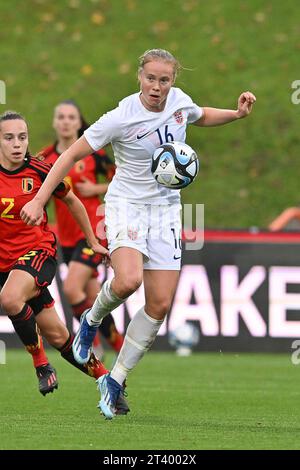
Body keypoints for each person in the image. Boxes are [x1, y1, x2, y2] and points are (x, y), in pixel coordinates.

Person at [21, 48, 256, 419]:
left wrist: (237, 114)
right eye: (151, 78)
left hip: (166, 212)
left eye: (164, 80)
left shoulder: (178, 102)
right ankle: (91, 321)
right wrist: (38, 200)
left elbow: (202, 115)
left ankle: (116, 379)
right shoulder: (120, 117)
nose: (157, 87)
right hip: (126, 205)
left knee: (159, 304)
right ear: (139, 77)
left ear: (173, 80)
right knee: (127, 281)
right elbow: (67, 157)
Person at [0, 110, 129, 413]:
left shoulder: (40, 170)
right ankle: (106, 379)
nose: (17, 144)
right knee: (58, 334)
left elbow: (73, 201)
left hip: (38, 252)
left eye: (22, 137)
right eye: (9, 138)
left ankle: (42, 366)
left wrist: (94, 241)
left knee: (9, 297)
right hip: (6, 265)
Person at [38, 100, 124, 356]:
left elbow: (121, 178)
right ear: (55, 122)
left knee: (71, 288)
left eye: (71, 117)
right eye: (61, 117)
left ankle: (91, 342)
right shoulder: (46, 158)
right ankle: (119, 346)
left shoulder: (93, 154)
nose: (65, 121)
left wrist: (96, 189)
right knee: (93, 296)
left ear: (78, 122)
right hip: (65, 236)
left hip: (94, 233)